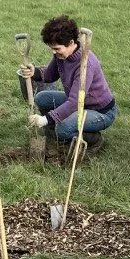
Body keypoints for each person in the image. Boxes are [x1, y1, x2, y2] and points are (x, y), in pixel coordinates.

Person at [19, 15, 117, 156]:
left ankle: (94, 139)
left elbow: (74, 102)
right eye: (51, 48)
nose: (53, 52)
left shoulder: (85, 65)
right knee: (41, 98)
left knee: (63, 128)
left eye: (57, 48)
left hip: (100, 111)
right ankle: (56, 133)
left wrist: (45, 119)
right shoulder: (62, 55)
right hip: (78, 103)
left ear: (71, 43)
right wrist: (34, 72)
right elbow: (50, 75)